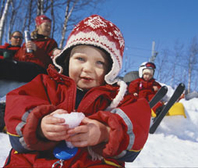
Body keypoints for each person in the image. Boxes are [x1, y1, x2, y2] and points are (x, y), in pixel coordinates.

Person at [4, 14, 151, 167]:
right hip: (41, 158)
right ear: (67, 60)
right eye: (80, 59)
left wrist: (104, 132)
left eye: (99, 63)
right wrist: (39, 125)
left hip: (90, 161)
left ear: (111, 70)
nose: (87, 68)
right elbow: (19, 101)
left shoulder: (115, 98)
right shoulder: (48, 84)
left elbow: (138, 116)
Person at [0, 15, 59, 82]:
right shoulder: (28, 42)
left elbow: (49, 62)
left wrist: (37, 50)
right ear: (38, 26)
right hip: (23, 68)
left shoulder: (50, 42)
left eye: (50, 26)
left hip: (38, 70)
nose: (49, 28)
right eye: (46, 25)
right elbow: (17, 58)